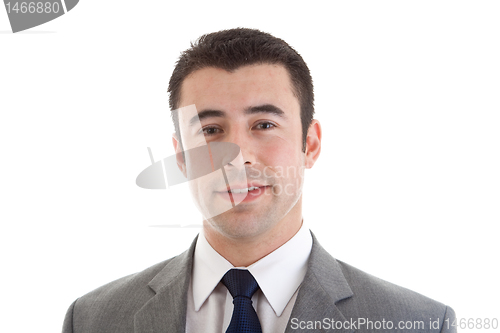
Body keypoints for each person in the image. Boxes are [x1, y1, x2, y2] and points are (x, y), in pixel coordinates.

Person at [63, 28, 456, 333]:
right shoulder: (93, 319)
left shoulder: (418, 322)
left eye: (264, 124)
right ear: (181, 156)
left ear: (310, 144)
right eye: (211, 130)